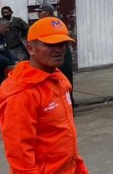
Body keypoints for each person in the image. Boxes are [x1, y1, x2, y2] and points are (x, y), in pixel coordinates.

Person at [0, 17, 89, 173]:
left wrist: (80, 169)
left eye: (63, 44)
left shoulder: (59, 79)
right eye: (50, 44)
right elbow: (21, 160)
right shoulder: (21, 94)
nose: (59, 49)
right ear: (30, 49)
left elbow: (65, 136)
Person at [36, 2, 74, 93]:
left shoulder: (56, 23)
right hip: (51, 56)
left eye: (40, 11)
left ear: (47, 13)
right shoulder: (42, 23)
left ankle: (68, 100)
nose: (38, 14)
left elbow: (69, 34)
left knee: (64, 77)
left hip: (61, 54)